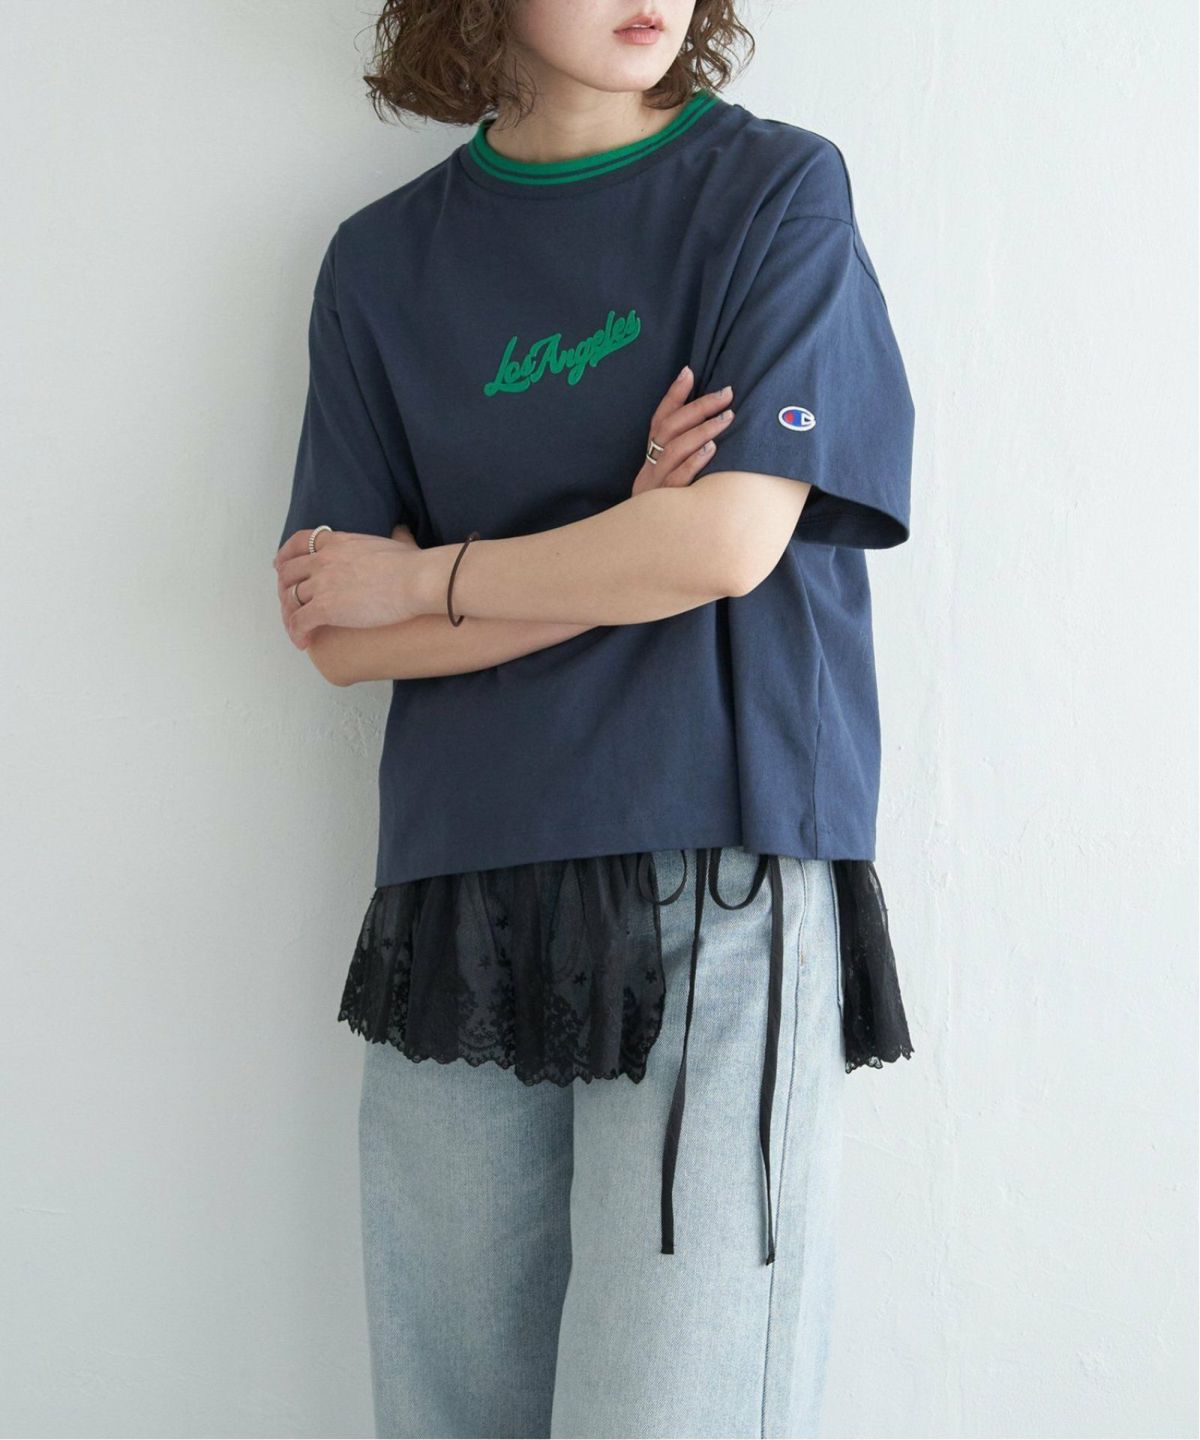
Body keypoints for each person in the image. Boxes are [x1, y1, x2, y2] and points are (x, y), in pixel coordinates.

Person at [273, 2, 916, 1435]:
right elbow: (338, 633)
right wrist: (622, 537)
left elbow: (723, 546)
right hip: (459, 896)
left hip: (719, 870)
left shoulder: (773, 192)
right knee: (449, 1415)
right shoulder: (382, 263)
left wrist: (430, 577)